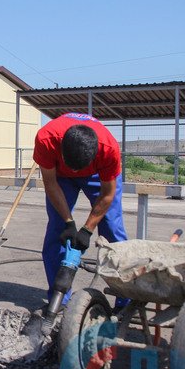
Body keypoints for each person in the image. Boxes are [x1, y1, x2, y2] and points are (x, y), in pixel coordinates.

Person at [33, 113, 128, 299]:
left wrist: (87, 229)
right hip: (60, 175)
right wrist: (69, 223)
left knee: (112, 229)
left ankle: (124, 298)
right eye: (73, 167)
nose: (76, 172)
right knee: (57, 230)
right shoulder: (46, 140)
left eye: (78, 169)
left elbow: (107, 195)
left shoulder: (108, 149)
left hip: (96, 174)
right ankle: (59, 298)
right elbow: (51, 184)